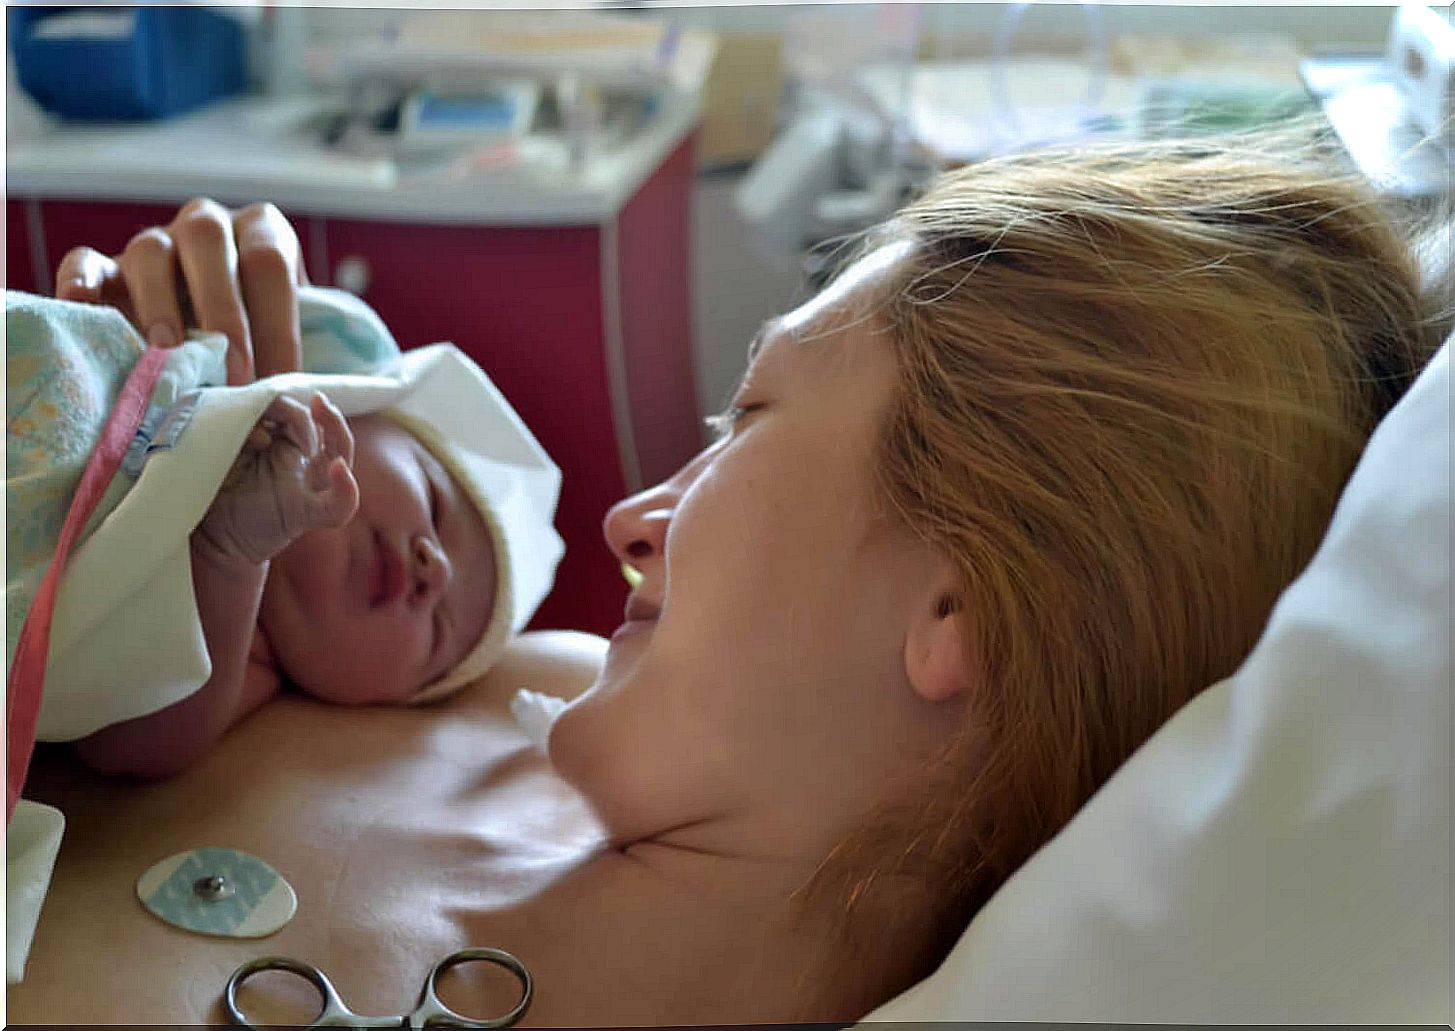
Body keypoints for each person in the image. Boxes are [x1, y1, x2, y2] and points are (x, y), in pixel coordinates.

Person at [20, 131, 1443, 1024]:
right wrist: (116, 457)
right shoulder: (461, 668)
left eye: (746, 419)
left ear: (960, 598)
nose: (631, 518)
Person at [6, 280, 564, 781]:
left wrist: (229, 554)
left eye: (439, 636)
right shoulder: (238, 380)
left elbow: (125, 747)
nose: (434, 571)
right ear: (361, 406)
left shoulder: (247, 666)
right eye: (436, 507)